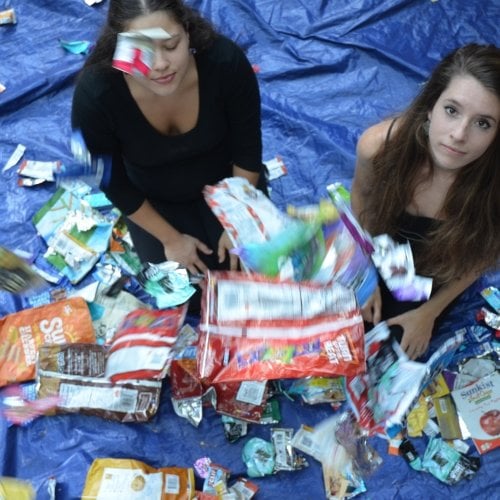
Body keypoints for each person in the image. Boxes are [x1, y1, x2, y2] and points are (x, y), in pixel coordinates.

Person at [71, 0, 267, 311]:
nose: (160, 65)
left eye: (171, 45)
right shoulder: (96, 95)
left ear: (188, 33)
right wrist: (170, 240)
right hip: (154, 201)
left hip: (230, 186)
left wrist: (238, 220)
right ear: (119, 48)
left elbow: (248, 150)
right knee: (189, 300)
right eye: (141, 51)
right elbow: (113, 183)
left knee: (259, 281)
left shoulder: (224, 62)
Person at [351, 43, 500, 360]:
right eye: (452, 110)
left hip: (443, 265)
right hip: (380, 246)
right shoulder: (379, 148)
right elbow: (361, 199)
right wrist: (363, 274)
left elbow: (480, 258)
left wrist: (429, 314)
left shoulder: (493, 191)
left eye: (483, 123)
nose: (459, 135)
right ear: (430, 106)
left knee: (395, 351)